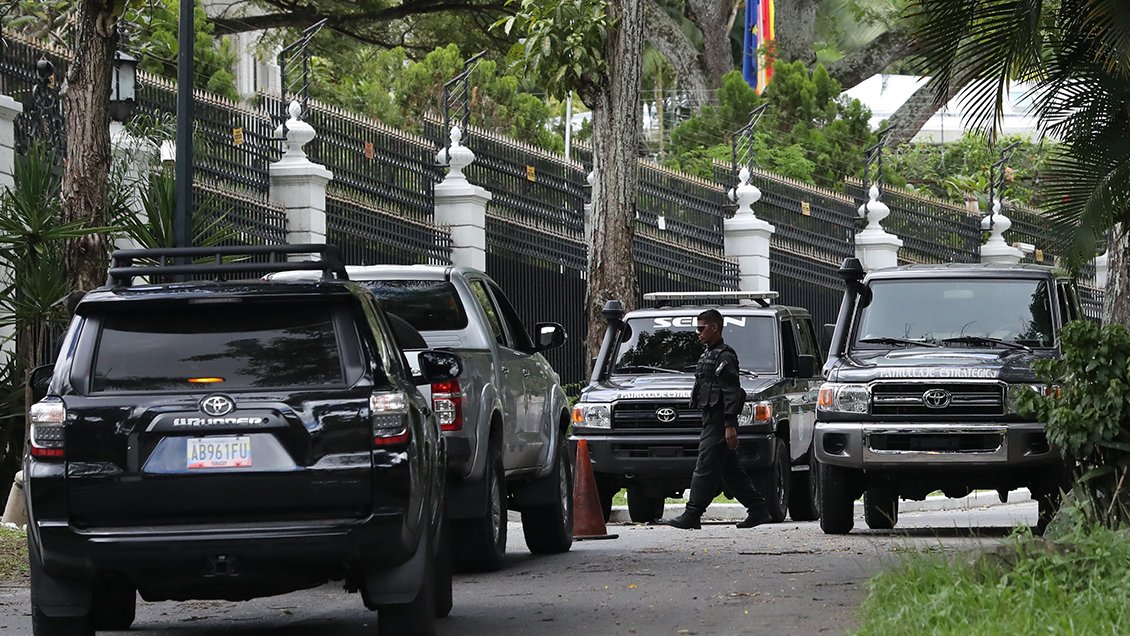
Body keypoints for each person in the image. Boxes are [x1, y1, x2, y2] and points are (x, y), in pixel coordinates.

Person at [663, 309, 773, 530]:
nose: (698, 333)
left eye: (702, 328)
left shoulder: (725, 356)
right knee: (729, 470)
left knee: (705, 465)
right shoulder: (708, 354)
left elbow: (732, 391)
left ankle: (692, 514)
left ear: (714, 328)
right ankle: (758, 509)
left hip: (720, 420)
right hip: (710, 418)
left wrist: (730, 425)